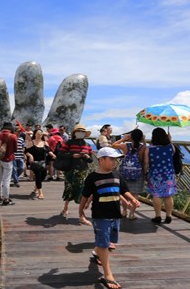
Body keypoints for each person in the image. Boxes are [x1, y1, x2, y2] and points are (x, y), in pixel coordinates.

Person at [79, 147, 140, 289]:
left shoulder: (117, 175)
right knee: (104, 244)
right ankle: (108, 275)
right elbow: (85, 195)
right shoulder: (93, 177)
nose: (114, 162)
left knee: (109, 240)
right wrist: (81, 210)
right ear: (101, 160)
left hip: (115, 214)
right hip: (100, 215)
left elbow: (124, 190)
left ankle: (96, 252)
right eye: (111, 159)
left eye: (115, 160)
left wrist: (132, 200)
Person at [58, 123, 93, 220]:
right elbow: (61, 154)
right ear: (75, 133)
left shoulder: (87, 145)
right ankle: (65, 207)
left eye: (83, 132)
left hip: (83, 171)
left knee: (82, 190)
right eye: (79, 131)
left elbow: (91, 160)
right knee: (69, 189)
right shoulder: (69, 143)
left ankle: (81, 213)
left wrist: (87, 157)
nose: (81, 133)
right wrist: (72, 155)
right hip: (70, 170)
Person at [144, 127, 177, 224]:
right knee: (168, 195)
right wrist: (170, 140)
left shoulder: (149, 149)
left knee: (156, 194)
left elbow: (146, 162)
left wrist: (145, 173)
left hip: (155, 174)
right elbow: (172, 153)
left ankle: (158, 216)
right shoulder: (171, 147)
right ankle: (168, 216)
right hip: (168, 174)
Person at [112, 128, 146, 219]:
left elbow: (113, 145)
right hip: (137, 174)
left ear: (131, 137)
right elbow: (143, 158)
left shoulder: (125, 146)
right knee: (134, 195)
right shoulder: (143, 147)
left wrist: (124, 138)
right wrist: (144, 141)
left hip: (124, 173)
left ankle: (124, 211)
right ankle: (132, 214)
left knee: (125, 193)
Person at [25, 128, 54, 199]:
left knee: (43, 176)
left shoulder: (44, 142)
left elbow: (49, 150)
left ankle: (36, 187)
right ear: (35, 134)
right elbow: (26, 151)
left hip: (43, 162)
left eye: (41, 134)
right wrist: (30, 155)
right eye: (38, 134)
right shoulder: (31, 142)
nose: (40, 135)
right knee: (38, 175)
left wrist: (53, 155)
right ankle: (40, 193)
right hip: (34, 163)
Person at [0, 123, 18, 206]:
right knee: (6, 180)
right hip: (8, 159)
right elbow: (15, 149)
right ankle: (6, 199)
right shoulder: (13, 136)